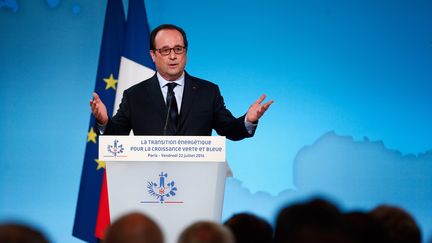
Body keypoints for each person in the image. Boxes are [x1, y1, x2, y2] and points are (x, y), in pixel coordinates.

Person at [90, 24, 273, 139]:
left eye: (178, 49)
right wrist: (104, 121)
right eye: (165, 50)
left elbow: (230, 129)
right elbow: (116, 136)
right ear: (153, 55)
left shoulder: (208, 92)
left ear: (186, 52)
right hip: (149, 186)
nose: (172, 56)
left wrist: (248, 120)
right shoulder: (135, 95)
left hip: (197, 184)